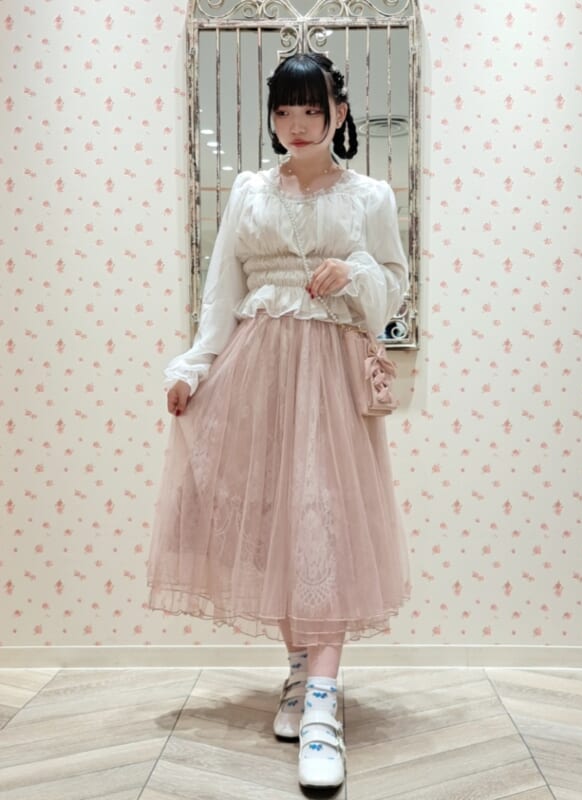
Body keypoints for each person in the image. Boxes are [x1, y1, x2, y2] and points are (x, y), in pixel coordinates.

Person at [146, 52, 411, 790]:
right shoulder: (249, 191)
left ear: (339, 113)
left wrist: (355, 271)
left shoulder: (370, 197)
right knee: (274, 527)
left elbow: (394, 285)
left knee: (325, 524)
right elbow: (221, 289)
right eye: (285, 110)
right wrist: (193, 367)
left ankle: (322, 705)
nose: (297, 124)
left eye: (312, 110)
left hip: (330, 378)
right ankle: (300, 671)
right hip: (256, 372)